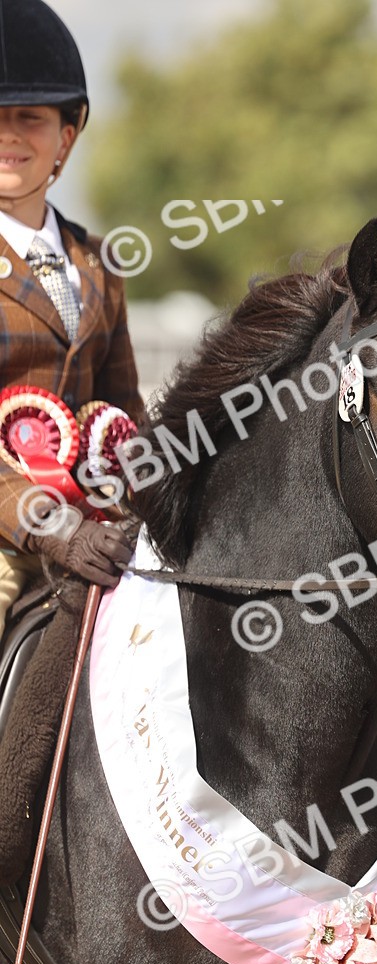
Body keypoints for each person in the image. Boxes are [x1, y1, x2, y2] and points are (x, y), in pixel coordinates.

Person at [0, 0, 142, 636]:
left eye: (28, 118)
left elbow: (124, 410)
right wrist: (51, 525)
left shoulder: (100, 262)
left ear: (66, 135)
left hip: (96, 525)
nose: (9, 135)